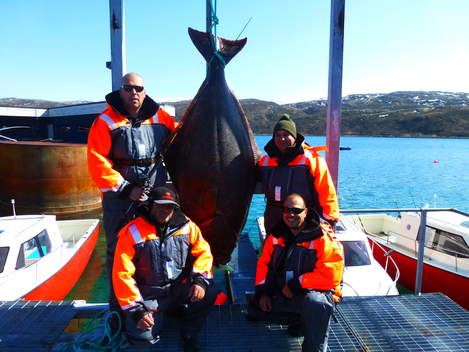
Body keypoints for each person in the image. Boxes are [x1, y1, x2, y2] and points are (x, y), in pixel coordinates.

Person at [87, 72, 176, 312]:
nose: (134, 92)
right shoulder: (105, 121)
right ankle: (119, 310)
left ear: (144, 91)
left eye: (138, 88)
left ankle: (152, 307)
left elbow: (180, 136)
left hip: (153, 198)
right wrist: (126, 188)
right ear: (121, 91)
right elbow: (97, 162)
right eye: (128, 88)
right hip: (120, 201)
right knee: (118, 252)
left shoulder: (160, 117)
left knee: (153, 249)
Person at [112, 186, 218, 351]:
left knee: (209, 291)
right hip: (150, 294)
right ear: (150, 205)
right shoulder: (131, 232)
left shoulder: (188, 226)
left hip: (179, 288)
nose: (165, 210)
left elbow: (203, 253)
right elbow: (121, 274)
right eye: (160, 205)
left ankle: (189, 331)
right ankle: (160, 313)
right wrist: (136, 310)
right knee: (142, 337)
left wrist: (200, 281)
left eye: (169, 206)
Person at [248, 193, 344, 352]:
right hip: (286, 294)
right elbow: (263, 264)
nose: (290, 214)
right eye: (286, 209)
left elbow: (330, 275)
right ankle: (299, 321)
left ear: (306, 212)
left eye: (296, 210)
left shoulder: (322, 237)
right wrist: (263, 293)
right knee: (254, 309)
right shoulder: (275, 236)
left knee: (316, 304)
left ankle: (313, 345)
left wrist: (296, 285)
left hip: (314, 295)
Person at [257, 114, 340, 234]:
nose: (282, 139)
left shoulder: (311, 159)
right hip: (273, 217)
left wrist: (330, 218)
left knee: (302, 251)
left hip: (303, 217)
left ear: (294, 137)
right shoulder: (265, 161)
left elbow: (326, 190)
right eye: (278, 135)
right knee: (275, 250)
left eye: (286, 135)